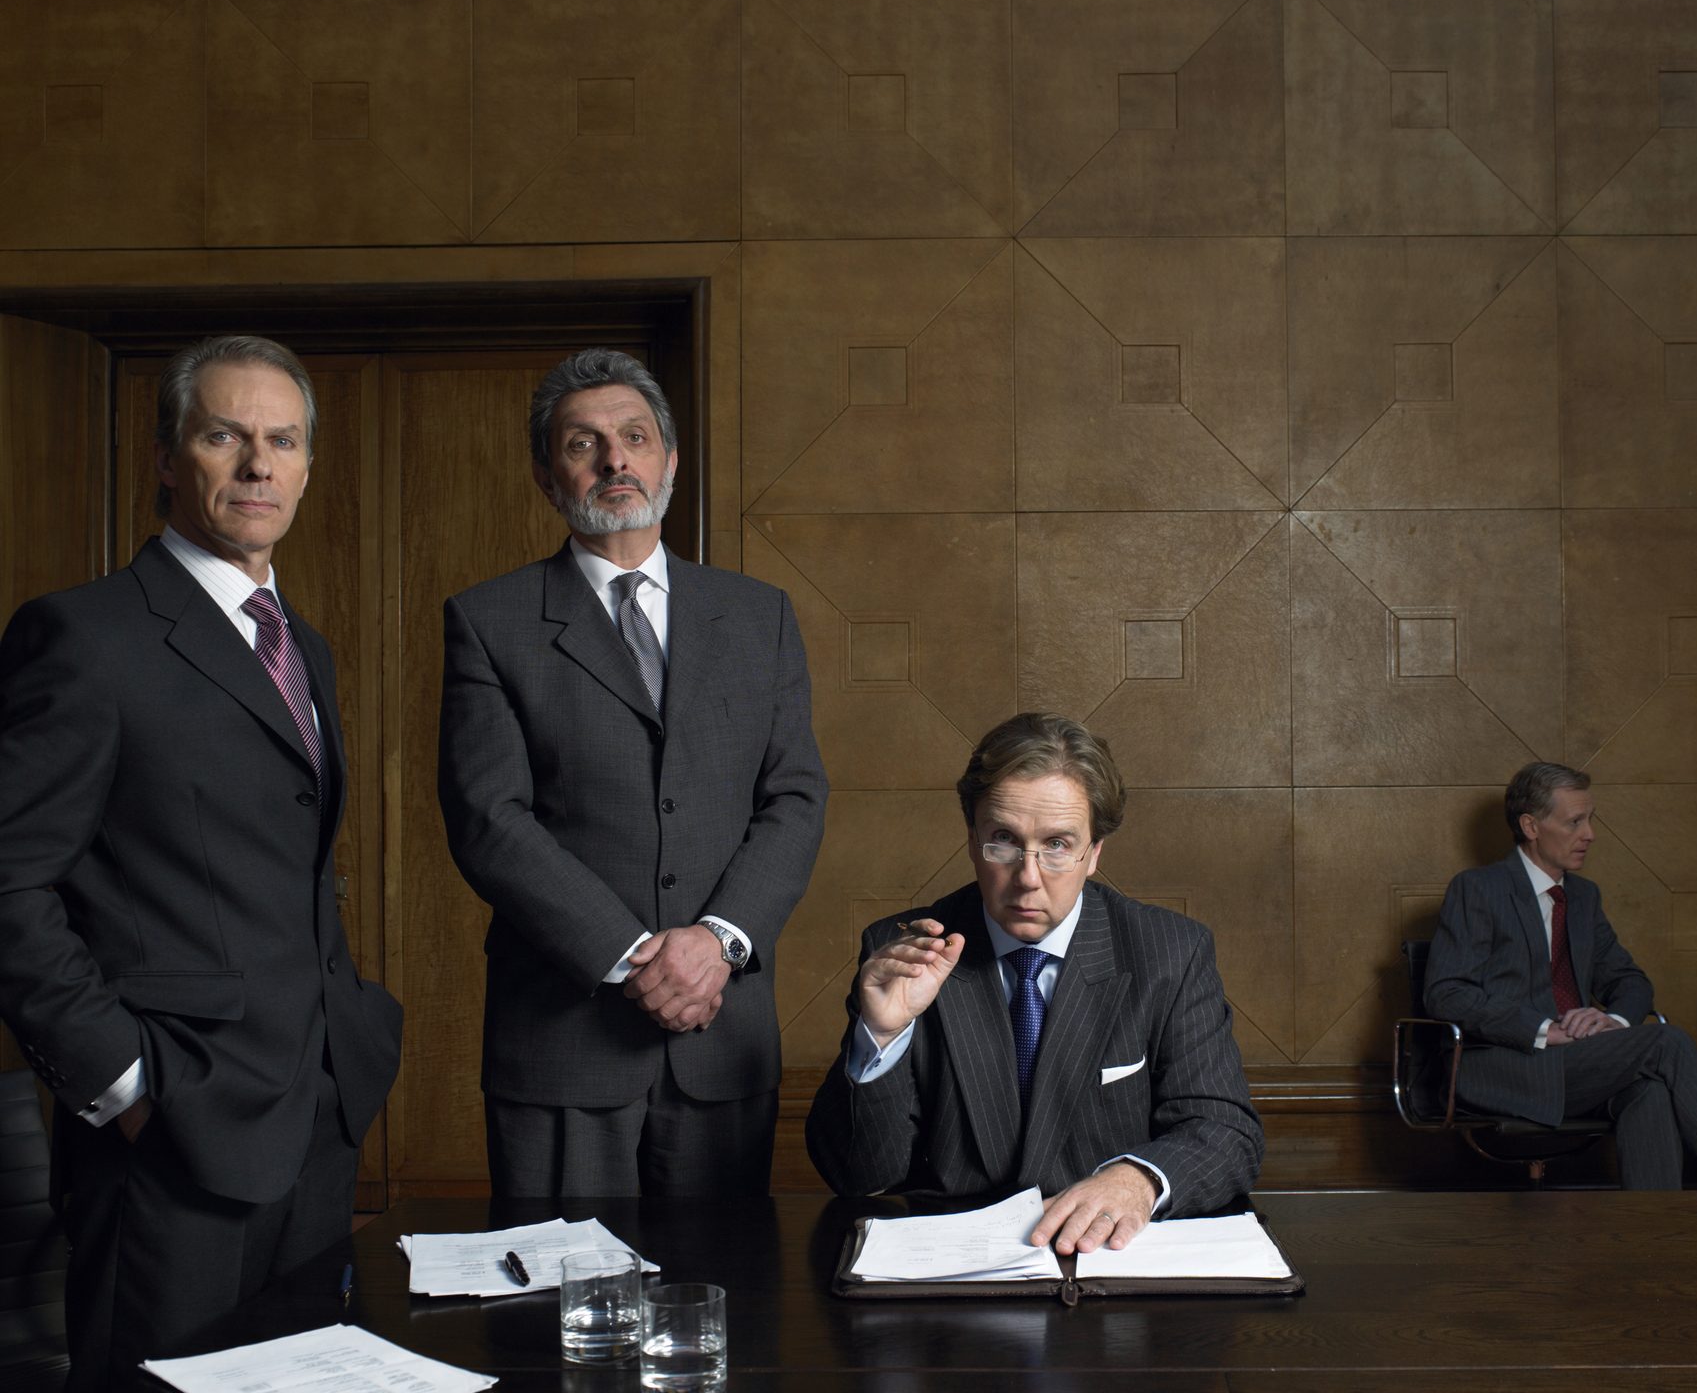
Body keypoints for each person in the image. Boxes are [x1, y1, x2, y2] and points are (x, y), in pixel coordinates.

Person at [0, 335, 403, 1393]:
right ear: (167, 457)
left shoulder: (302, 646)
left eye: (284, 440)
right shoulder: (85, 636)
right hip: (171, 1135)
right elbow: (8, 884)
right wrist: (123, 1085)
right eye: (226, 435)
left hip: (314, 1120)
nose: (259, 464)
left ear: (307, 467)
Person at [439, 348, 825, 1199]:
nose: (615, 459)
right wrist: (632, 956)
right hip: (564, 1042)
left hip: (723, 1035)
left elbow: (794, 797)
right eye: (584, 443)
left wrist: (717, 942)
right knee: (562, 1285)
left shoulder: (758, 615)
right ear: (547, 476)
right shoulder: (490, 621)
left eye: (636, 437)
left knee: (727, 1279)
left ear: (670, 461)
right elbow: (488, 819)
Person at [806, 712, 1262, 1255]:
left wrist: (1137, 1179)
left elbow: (1225, 1132)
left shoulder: (1170, 952)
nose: (1028, 877)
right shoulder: (902, 951)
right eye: (1003, 840)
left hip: (1107, 1260)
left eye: (1058, 845)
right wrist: (881, 1036)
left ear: (1094, 853)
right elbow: (856, 1175)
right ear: (972, 839)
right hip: (948, 1263)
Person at [1424, 761, 1697, 1194]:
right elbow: (1446, 993)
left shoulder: (1583, 897)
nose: (1590, 834)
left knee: (1650, 1092)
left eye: (1590, 819)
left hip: (1580, 1062)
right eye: (1575, 822)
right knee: (1666, 1042)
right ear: (1531, 826)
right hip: (1507, 1064)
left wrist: (1612, 1020)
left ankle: (1655, 1232)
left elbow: (1630, 981)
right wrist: (1542, 1030)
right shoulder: (1479, 889)